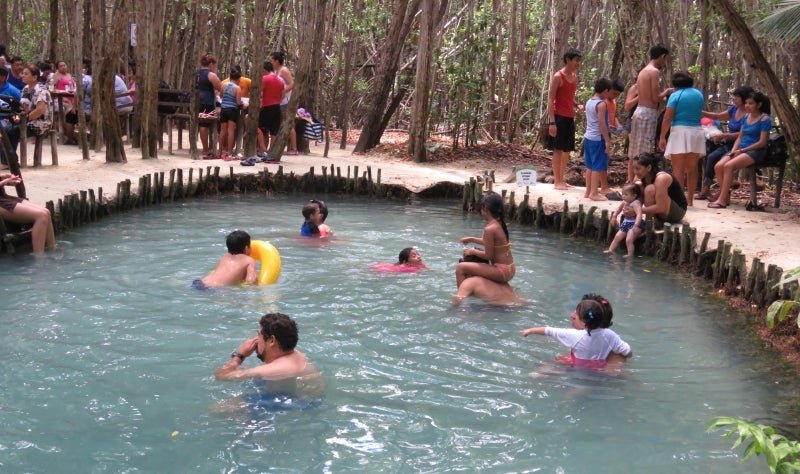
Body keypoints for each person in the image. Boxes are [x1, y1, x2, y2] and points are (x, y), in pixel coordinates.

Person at [521, 296, 632, 369]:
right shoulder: (610, 335)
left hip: (577, 366)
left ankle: (534, 376)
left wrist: (530, 330)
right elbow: (627, 351)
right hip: (597, 368)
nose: (572, 315)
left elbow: (549, 330)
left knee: (557, 361)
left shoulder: (575, 335)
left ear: (584, 321)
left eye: (576, 314)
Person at [708, 91, 772, 209]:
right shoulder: (746, 117)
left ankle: (721, 200)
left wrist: (742, 151)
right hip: (741, 149)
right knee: (718, 166)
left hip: (756, 150)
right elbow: (740, 136)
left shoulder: (765, 119)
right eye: (746, 103)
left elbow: (762, 142)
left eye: (751, 103)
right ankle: (725, 195)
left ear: (759, 105)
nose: (747, 105)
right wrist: (733, 151)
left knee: (728, 166)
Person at [214, 313, 319, 383]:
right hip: (303, 399)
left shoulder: (270, 370)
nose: (255, 339)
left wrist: (239, 355)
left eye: (259, 335)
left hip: (294, 404)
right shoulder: (295, 354)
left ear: (272, 340)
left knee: (218, 409)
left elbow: (221, 376)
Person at [658, 71, 706, 207]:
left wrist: (662, 137)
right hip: (696, 131)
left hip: (679, 131)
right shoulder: (698, 94)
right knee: (692, 168)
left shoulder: (675, 95)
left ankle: (680, 201)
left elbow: (667, 118)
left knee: (678, 169)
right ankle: (690, 200)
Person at [696, 86, 753, 200]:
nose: (734, 99)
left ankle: (723, 193)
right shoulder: (733, 109)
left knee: (721, 164)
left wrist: (724, 135)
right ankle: (706, 188)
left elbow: (743, 134)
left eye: (737, 97)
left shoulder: (749, 114)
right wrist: (701, 113)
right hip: (728, 143)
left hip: (740, 145)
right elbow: (718, 116)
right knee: (711, 157)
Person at [627, 44, 671, 184]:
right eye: (665, 59)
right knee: (645, 151)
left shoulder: (643, 71)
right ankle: (640, 182)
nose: (664, 63)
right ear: (662, 57)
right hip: (648, 113)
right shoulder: (654, 72)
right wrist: (667, 92)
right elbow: (655, 97)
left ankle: (631, 181)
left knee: (635, 150)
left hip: (639, 112)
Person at [455, 191, 515, 288]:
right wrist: (471, 239)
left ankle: (462, 295)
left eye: (481, 208)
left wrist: (472, 251)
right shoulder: (498, 223)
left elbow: (488, 256)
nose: (481, 212)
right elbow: (489, 243)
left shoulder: (490, 229)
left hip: (502, 270)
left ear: (485, 209)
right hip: (510, 268)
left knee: (460, 268)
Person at [545, 48, 582, 190]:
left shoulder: (574, 78)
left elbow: (569, 98)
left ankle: (562, 178)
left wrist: (576, 104)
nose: (578, 63)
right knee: (558, 149)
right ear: (568, 59)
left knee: (567, 150)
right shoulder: (558, 76)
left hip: (569, 116)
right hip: (558, 117)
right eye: (576, 60)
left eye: (579, 61)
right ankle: (556, 181)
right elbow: (550, 99)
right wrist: (552, 122)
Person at [0, 172, 56, 255]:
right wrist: (5, 182)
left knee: (46, 212)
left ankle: (52, 250)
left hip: (3, 196)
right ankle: (39, 260)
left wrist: (3, 177)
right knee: (40, 216)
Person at [633, 151, 687, 225]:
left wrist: (637, 210)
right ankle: (646, 223)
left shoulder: (661, 177)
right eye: (634, 168)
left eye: (638, 168)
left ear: (648, 167)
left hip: (676, 213)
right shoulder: (639, 177)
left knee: (649, 189)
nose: (635, 171)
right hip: (660, 212)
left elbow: (661, 207)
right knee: (637, 185)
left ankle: (648, 223)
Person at [192, 230, 257, 289]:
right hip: (214, 288)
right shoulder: (249, 260)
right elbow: (251, 281)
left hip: (199, 282)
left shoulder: (225, 257)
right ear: (246, 248)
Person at [582, 78, 612, 201]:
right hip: (597, 138)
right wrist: (607, 140)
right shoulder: (601, 104)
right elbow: (601, 123)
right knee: (597, 166)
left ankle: (588, 191)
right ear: (605, 91)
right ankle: (594, 192)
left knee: (589, 166)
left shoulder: (589, 101)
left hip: (588, 137)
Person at [605, 183, 644, 258]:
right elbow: (618, 209)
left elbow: (639, 214)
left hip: (634, 224)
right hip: (626, 223)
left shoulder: (635, 203)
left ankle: (630, 255)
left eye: (626, 194)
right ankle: (611, 250)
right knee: (617, 237)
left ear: (634, 196)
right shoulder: (624, 202)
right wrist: (614, 216)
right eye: (622, 194)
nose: (623, 196)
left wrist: (636, 225)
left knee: (629, 240)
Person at [196, 53, 222, 159]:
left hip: (196, 102)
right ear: (211, 64)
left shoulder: (196, 73)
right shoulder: (210, 75)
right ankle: (206, 149)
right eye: (214, 65)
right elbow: (219, 87)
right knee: (204, 125)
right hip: (206, 102)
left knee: (203, 124)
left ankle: (206, 148)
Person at [270, 51, 297, 155]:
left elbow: (292, 84)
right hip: (278, 101)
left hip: (285, 101)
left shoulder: (284, 70)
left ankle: (294, 148)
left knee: (288, 123)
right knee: (279, 124)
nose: (271, 62)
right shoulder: (275, 71)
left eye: (272, 60)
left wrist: (283, 92)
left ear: (277, 61)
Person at [20, 64, 52, 138]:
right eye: (23, 73)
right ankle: (8, 150)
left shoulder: (41, 90)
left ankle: (10, 150)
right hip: (27, 120)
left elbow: (39, 110)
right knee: (6, 129)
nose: (23, 75)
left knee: (13, 131)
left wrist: (25, 119)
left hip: (41, 123)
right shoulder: (25, 88)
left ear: (34, 77)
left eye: (26, 74)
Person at [218, 68, 242, 160]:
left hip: (223, 109)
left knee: (222, 131)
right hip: (232, 110)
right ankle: (229, 151)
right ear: (238, 79)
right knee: (230, 131)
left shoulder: (223, 85)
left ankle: (219, 151)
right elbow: (238, 102)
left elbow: (220, 96)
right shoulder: (237, 88)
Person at [452, 276, 526, 306]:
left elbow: (457, 301)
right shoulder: (499, 279)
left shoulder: (470, 281)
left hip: (500, 310)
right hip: (521, 305)